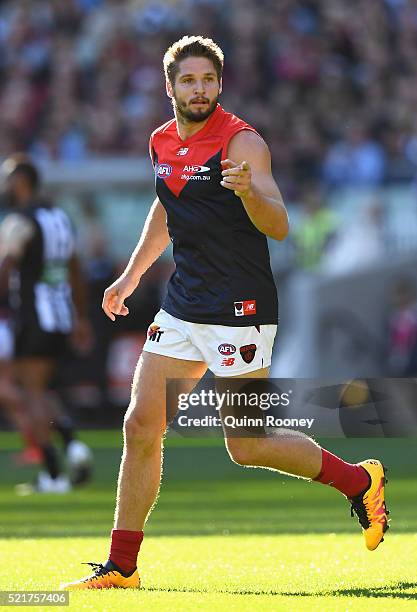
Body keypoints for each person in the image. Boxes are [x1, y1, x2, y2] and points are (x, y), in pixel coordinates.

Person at [62, 36, 389, 590]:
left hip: (240, 308)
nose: (199, 90)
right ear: (170, 87)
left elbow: (280, 224)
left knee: (246, 443)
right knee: (141, 423)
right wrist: (131, 275)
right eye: (188, 81)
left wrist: (249, 196)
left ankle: (359, 481)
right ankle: (122, 567)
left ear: (220, 84)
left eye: (207, 80)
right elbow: (167, 207)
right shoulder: (161, 141)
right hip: (184, 303)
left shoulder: (242, 144)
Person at [0, 154, 93, 492]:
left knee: (32, 393)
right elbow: (76, 270)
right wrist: (81, 317)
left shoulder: (18, 221)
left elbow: (5, 268)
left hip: (32, 315)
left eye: (9, 178)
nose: (6, 185)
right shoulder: (59, 218)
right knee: (44, 389)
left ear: (21, 182)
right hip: (60, 317)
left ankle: (53, 474)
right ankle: (72, 444)